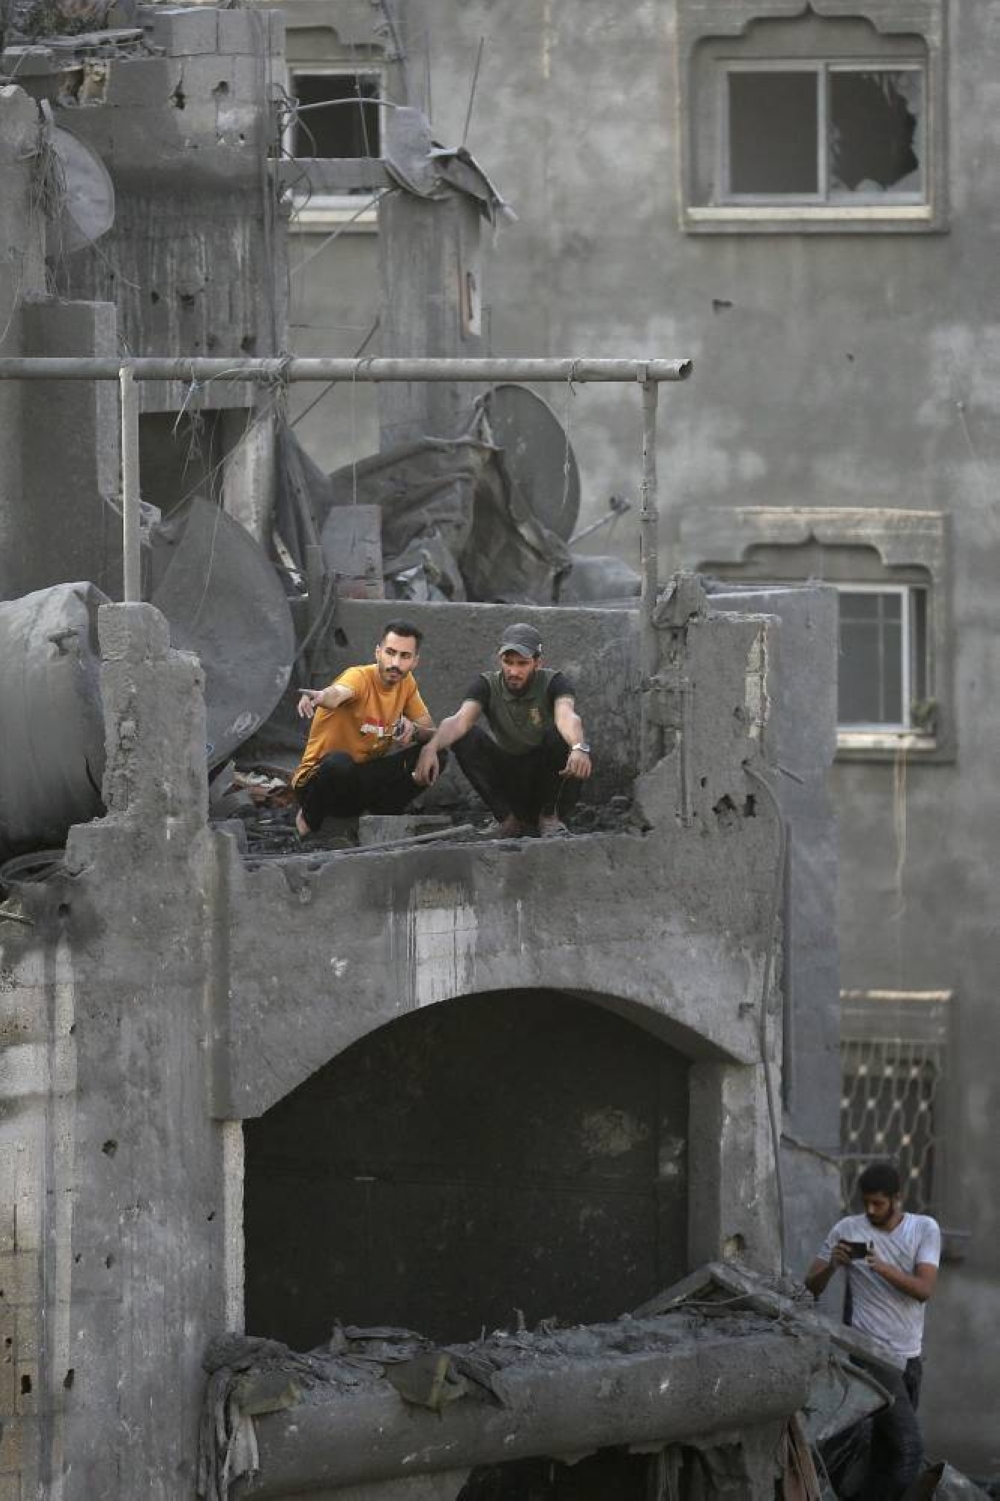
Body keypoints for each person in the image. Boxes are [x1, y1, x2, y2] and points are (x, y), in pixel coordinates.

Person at [805, 1162, 941, 1499]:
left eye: (878, 1203)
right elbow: (811, 1287)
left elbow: (924, 1289)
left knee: (886, 1452)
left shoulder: (924, 1229)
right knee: (909, 1450)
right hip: (870, 1356)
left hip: (909, 1357)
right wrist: (833, 1266)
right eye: (865, 1202)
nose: (870, 1210)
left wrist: (879, 1266)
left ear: (898, 1198)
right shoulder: (846, 1229)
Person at [414, 622, 592, 837]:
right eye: (508, 662)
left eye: (522, 663)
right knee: (466, 738)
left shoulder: (554, 682)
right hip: (514, 784)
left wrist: (579, 747)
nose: (513, 671)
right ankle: (508, 821)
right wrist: (431, 747)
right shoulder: (487, 684)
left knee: (558, 736)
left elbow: (567, 717)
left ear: (537, 662)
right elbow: (459, 720)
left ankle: (549, 818)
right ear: (500, 660)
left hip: (552, 785)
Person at [291, 620, 438, 835]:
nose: (395, 662)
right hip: (319, 781)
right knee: (339, 763)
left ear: (415, 661)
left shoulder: (406, 684)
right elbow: (338, 693)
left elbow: (430, 730)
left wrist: (414, 730)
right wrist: (322, 696)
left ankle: (375, 819)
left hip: (361, 781)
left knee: (438, 753)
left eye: (404, 656)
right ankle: (308, 821)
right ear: (377, 652)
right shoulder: (359, 677)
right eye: (390, 652)